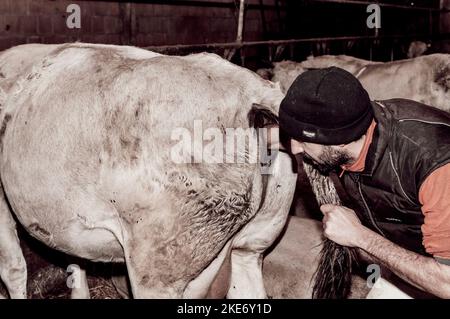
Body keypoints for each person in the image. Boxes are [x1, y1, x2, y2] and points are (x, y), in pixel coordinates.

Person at [277, 66, 450, 298]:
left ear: (338, 142)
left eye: (302, 141)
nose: (295, 148)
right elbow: (272, 138)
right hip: (409, 262)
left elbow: (446, 283)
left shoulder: (435, 164)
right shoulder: (350, 124)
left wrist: (360, 237)